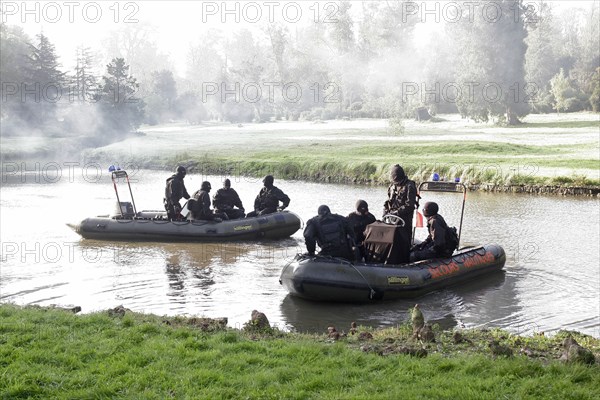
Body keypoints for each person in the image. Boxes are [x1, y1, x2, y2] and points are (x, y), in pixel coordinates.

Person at [383, 164, 417, 229]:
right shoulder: (392, 186)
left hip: (404, 220)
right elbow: (388, 201)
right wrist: (385, 210)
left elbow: (410, 205)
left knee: (402, 237)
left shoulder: (409, 186)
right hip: (391, 219)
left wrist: (396, 213)